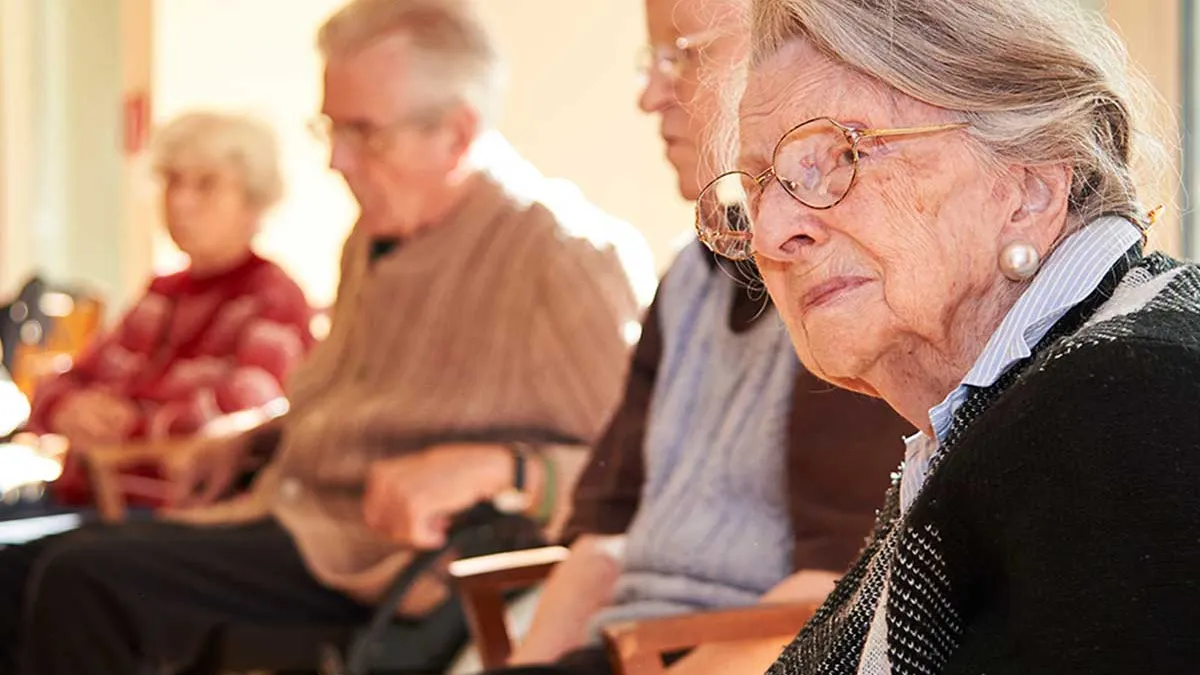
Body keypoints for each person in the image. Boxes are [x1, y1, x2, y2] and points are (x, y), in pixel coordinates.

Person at [0, 1, 647, 673]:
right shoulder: (373, 235)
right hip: (294, 515)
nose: (337, 160)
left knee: (85, 583)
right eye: (331, 129)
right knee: (17, 570)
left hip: (385, 562)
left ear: (458, 133)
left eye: (365, 133)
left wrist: (506, 468)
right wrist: (255, 435)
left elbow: (635, 469)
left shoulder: (562, 256)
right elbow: (353, 399)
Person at [371, 2, 908, 675]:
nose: (652, 94)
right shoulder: (689, 276)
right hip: (621, 649)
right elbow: (603, 534)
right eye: (651, 62)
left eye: (683, 55)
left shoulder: (848, 284)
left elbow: (828, 602)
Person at [691, 0, 1200, 673]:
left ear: (1030, 189)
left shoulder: (1124, 402)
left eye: (838, 155)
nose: (770, 233)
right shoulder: (994, 419)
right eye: (758, 191)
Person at [24, 111, 314, 508]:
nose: (180, 201)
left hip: (167, 519)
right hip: (79, 496)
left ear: (254, 199)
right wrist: (66, 408)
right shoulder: (160, 294)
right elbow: (63, 384)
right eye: (172, 181)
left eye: (206, 185)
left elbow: (244, 419)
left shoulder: (272, 298)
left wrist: (130, 423)